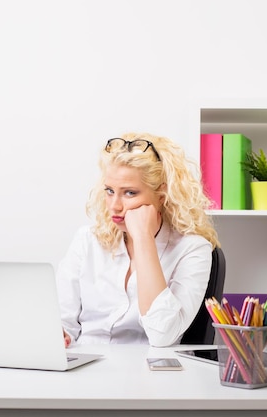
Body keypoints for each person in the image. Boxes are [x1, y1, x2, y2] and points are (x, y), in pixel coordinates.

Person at [56, 132, 220, 347]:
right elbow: (63, 321)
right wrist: (59, 333)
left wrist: (143, 239)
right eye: (109, 191)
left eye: (130, 193)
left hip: (146, 371)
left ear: (161, 197)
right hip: (84, 366)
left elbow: (163, 336)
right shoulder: (87, 240)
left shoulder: (193, 249)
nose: (114, 205)